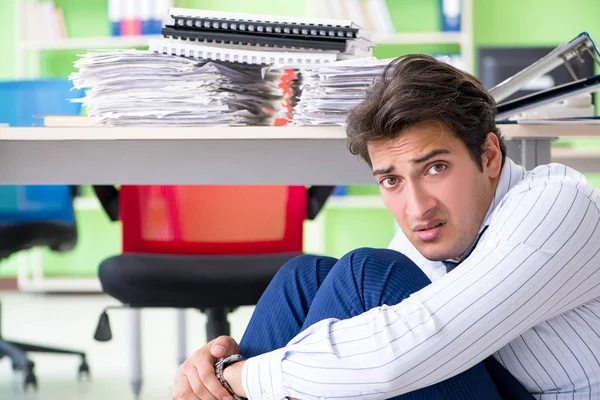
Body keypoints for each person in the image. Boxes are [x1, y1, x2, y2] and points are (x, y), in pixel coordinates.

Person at [172, 54, 600, 400]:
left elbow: (399, 351)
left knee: (365, 274)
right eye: (391, 180)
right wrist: (215, 372)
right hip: (488, 379)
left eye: (435, 168)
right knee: (303, 278)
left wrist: (239, 377)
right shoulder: (438, 227)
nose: (417, 206)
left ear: (488, 156)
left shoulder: (556, 203)